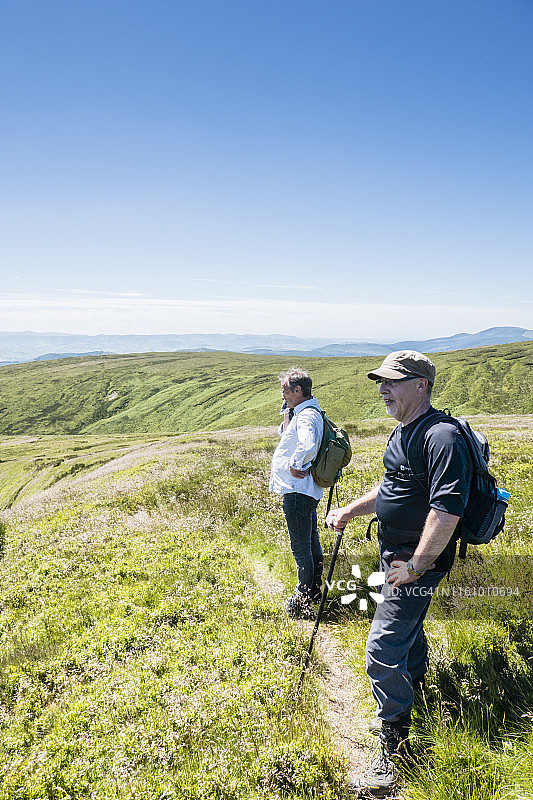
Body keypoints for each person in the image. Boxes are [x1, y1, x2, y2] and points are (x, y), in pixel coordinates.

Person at [326, 350, 471, 796]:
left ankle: (396, 746)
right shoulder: (403, 432)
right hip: (396, 553)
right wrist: (351, 510)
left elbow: (447, 510)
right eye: (381, 382)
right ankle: (418, 686)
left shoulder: (441, 436)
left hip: (414, 560)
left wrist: (415, 566)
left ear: (421, 385)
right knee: (408, 628)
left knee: (382, 648)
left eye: (392, 382)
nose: (383, 390)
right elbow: (391, 489)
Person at [269, 368, 325, 619]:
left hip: (297, 490)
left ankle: (302, 601)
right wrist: (286, 410)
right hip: (304, 491)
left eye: (285, 391)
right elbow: (285, 435)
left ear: (298, 390)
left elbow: (307, 444)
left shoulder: (307, 416)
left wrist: (295, 464)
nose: (282, 395)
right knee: (311, 543)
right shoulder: (303, 413)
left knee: (301, 548)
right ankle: (314, 591)